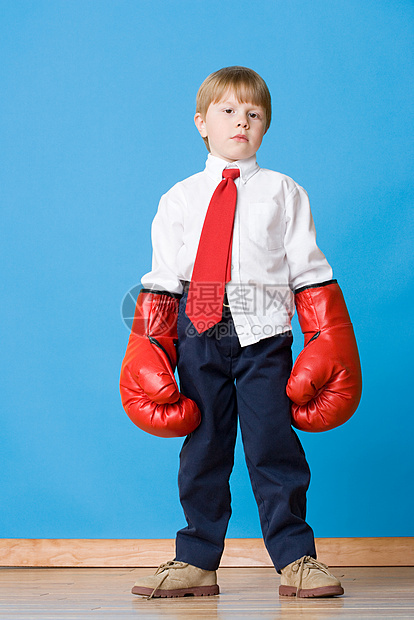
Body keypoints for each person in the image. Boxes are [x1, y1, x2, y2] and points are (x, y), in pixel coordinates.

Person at [120, 66, 361, 599]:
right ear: (202, 123)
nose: (241, 122)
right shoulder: (179, 197)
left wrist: (327, 335)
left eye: (254, 114)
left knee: (273, 444)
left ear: (266, 126)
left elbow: (307, 268)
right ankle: (195, 560)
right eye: (228, 111)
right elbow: (164, 276)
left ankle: (297, 559)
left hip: (264, 333)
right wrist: (149, 341)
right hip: (198, 325)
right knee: (203, 446)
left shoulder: (283, 192)